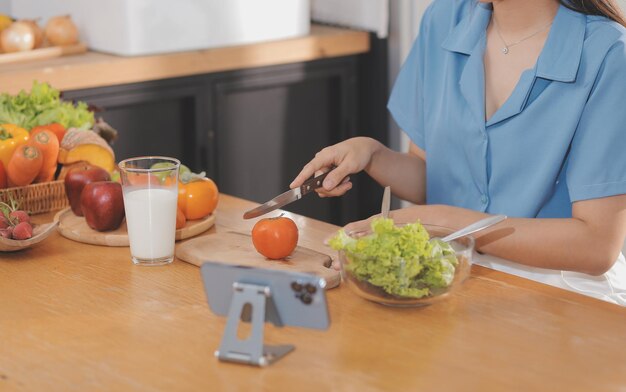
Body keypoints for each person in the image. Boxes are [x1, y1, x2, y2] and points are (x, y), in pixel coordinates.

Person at [290, 0, 626, 305]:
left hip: (564, 293)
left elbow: (596, 246)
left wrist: (442, 222)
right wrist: (373, 154)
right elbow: (433, 176)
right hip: (453, 276)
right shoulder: (444, 19)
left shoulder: (608, 55)